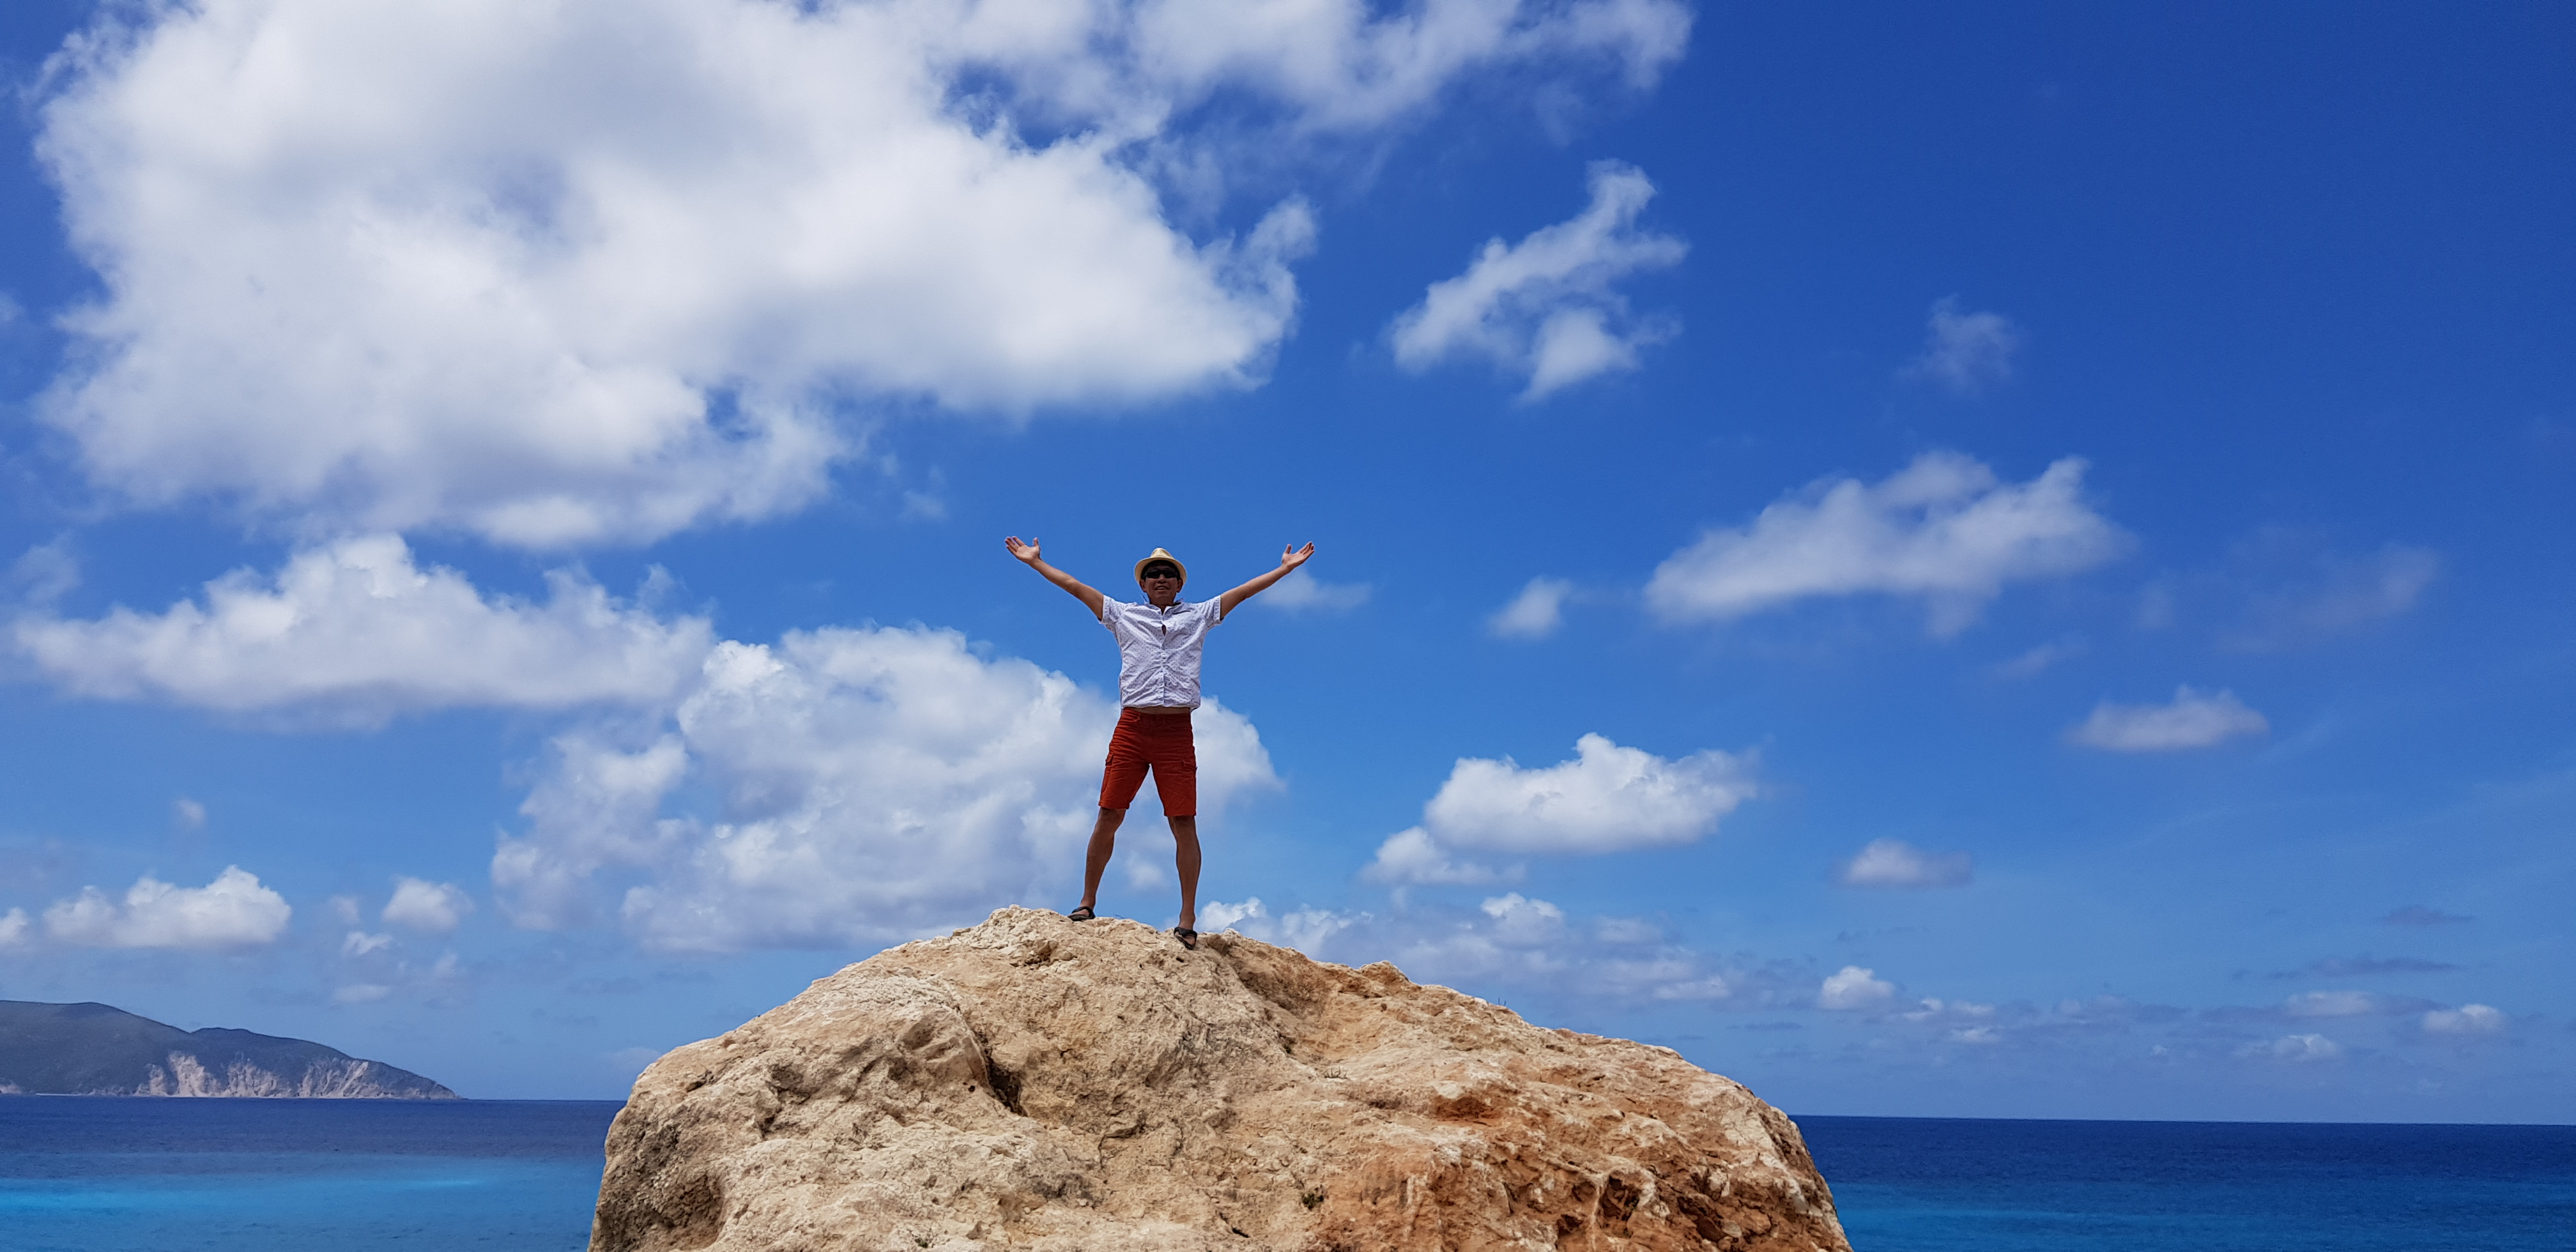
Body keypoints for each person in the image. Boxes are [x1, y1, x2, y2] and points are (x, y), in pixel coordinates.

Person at [1003, 536, 1315, 949]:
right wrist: (1035, 562)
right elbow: (1076, 587)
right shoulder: (1123, 615)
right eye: (1153, 574)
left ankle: (1187, 919)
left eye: (1168, 573)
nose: (1161, 578)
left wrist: (1284, 570)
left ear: (1180, 583)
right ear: (1143, 584)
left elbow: (1242, 592)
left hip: (1176, 732)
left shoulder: (1199, 615)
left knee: (1183, 822)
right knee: (1109, 813)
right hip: (1132, 729)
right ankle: (1087, 902)